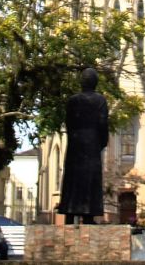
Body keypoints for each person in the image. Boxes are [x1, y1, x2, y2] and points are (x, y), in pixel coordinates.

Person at [57, 67, 110, 223]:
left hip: (75, 142)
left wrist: (74, 138)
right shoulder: (100, 100)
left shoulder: (72, 100)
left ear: (82, 82)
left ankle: (69, 213)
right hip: (92, 142)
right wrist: (101, 142)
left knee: (73, 177)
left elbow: (68, 123)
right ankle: (89, 215)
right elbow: (103, 123)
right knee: (90, 177)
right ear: (95, 83)